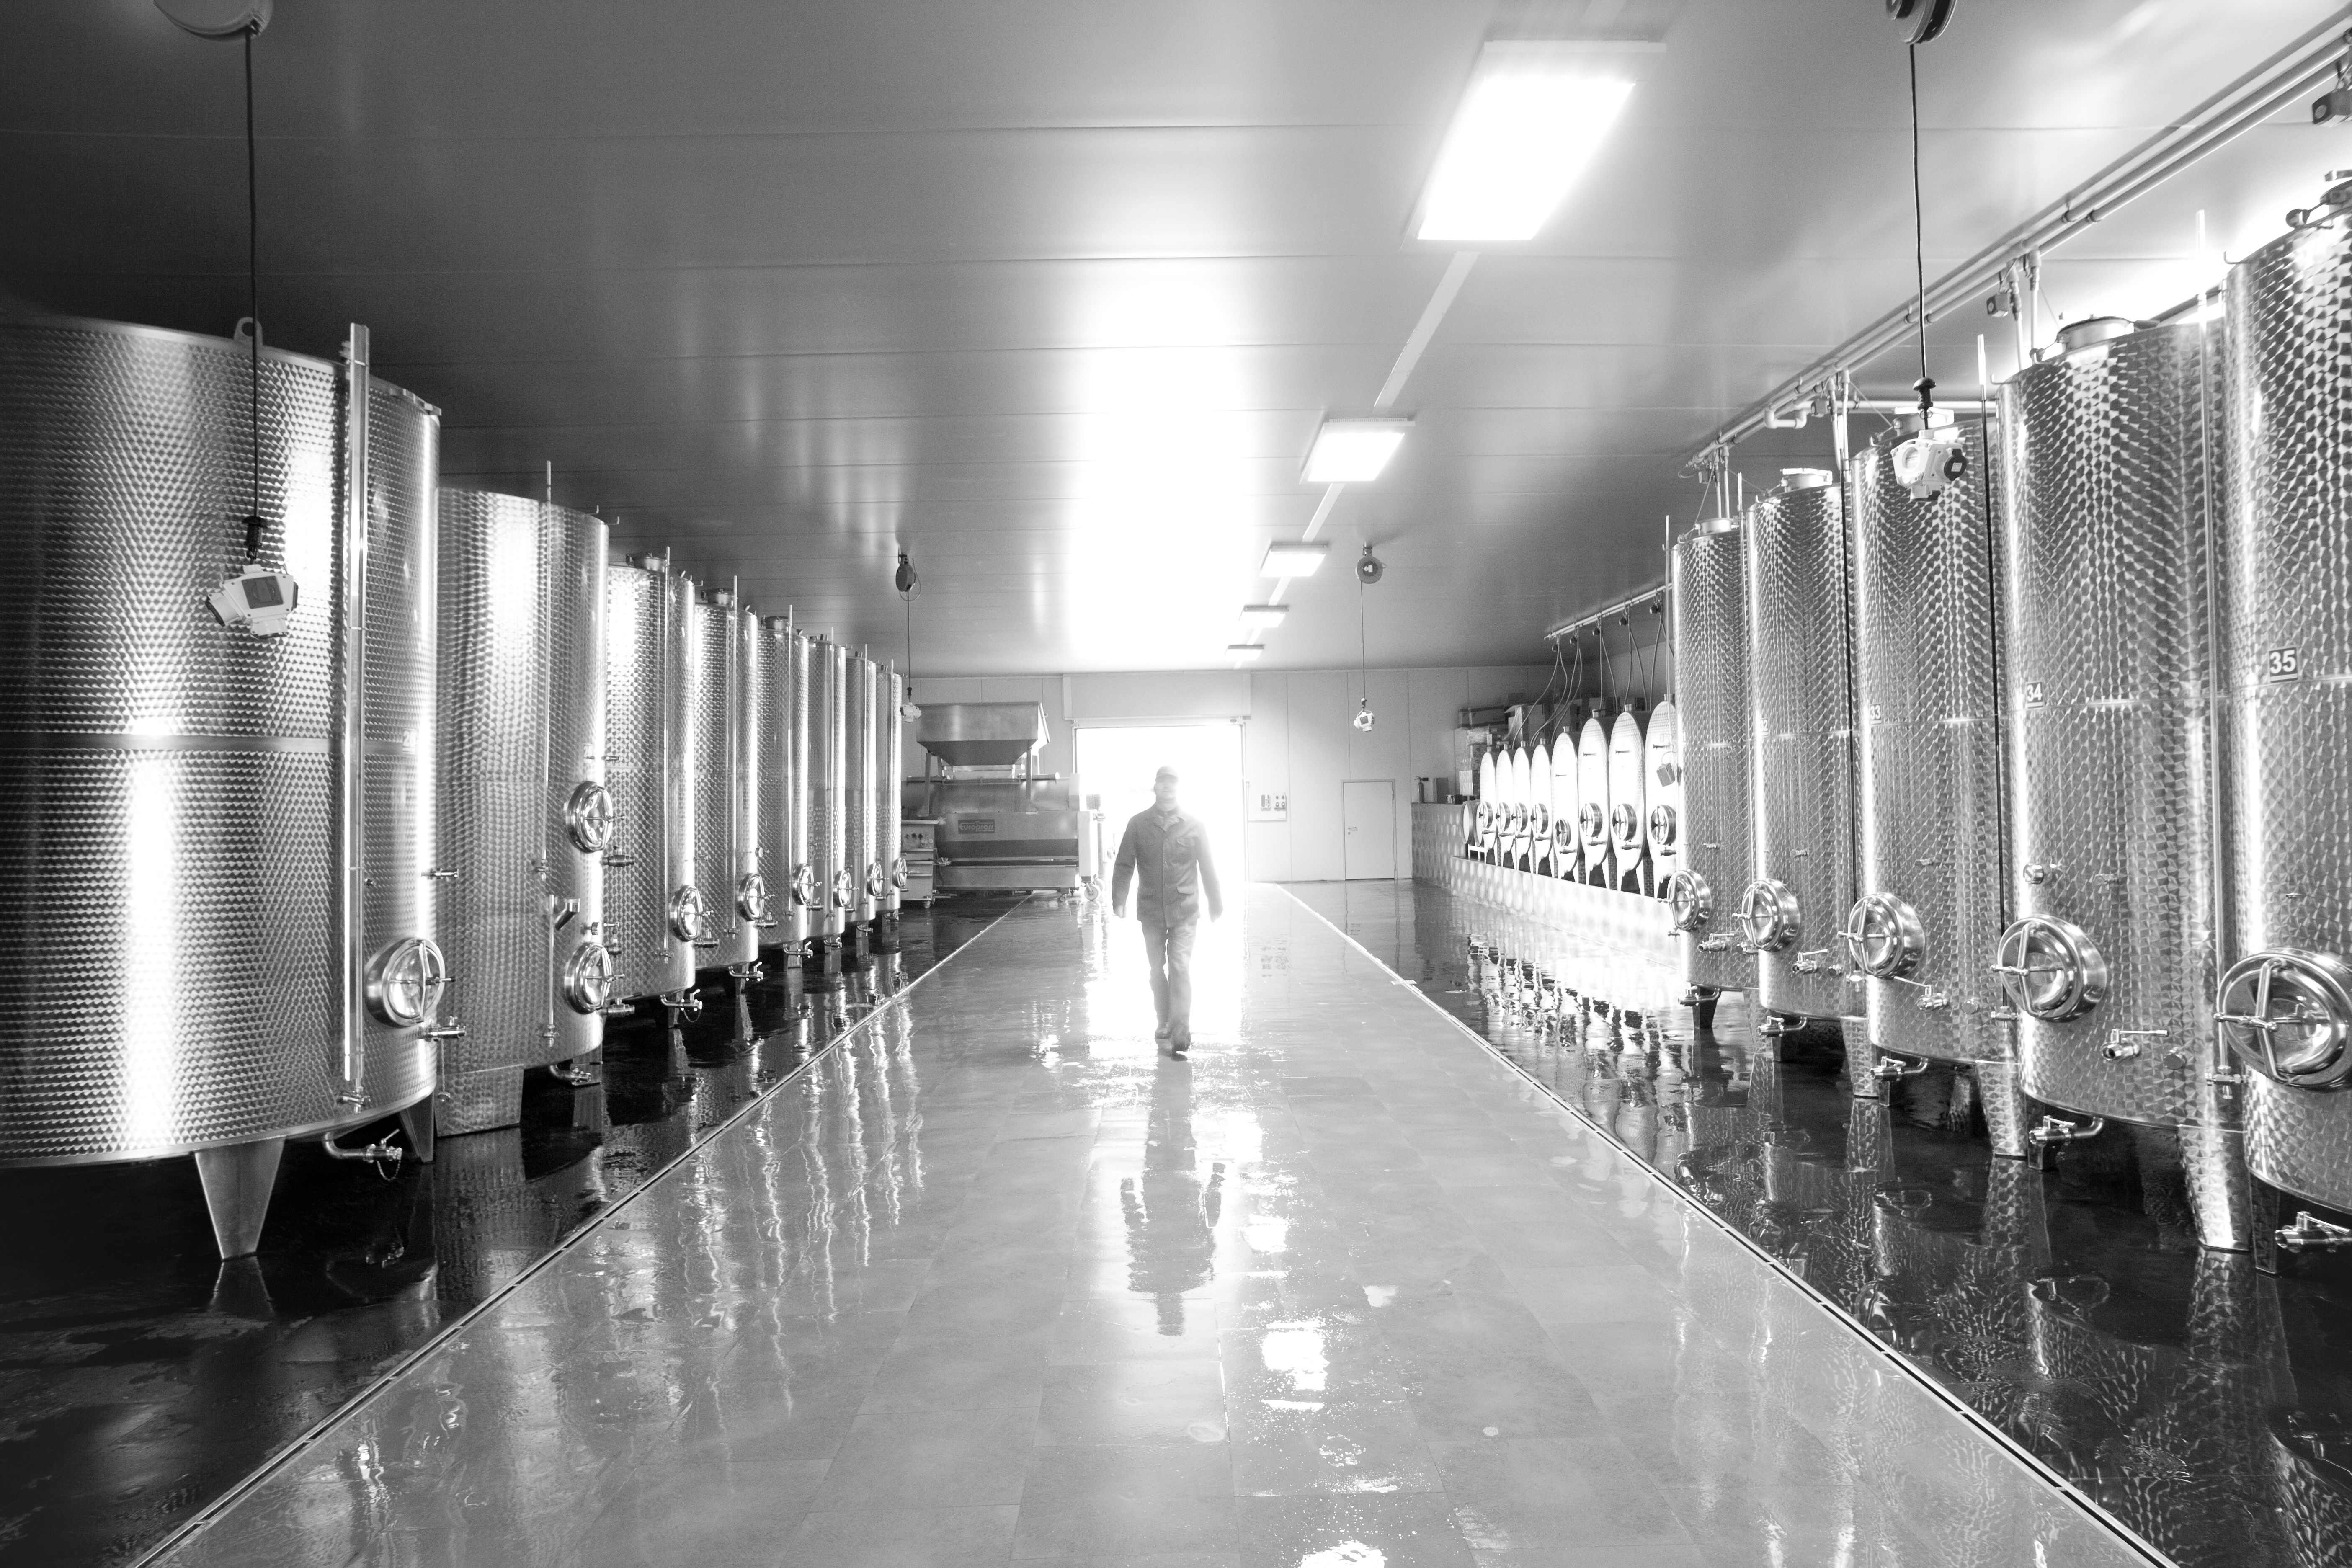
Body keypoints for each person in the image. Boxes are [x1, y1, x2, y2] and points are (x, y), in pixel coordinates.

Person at [1110, 766, 1222, 1057]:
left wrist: (1216, 903)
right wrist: (1118, 900)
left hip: (1185, 909)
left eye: (1173, 783)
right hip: (1151, 909)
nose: (1168, 787)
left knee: (1181, 966)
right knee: (1156, 969)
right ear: (1155, 788)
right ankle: (1164, 1019)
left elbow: (1208, 866)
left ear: (1178, 788)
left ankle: (1181, 1028)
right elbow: (1124, 863)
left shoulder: (1194, 825)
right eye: (1163, 783)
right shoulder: (1138, 824)